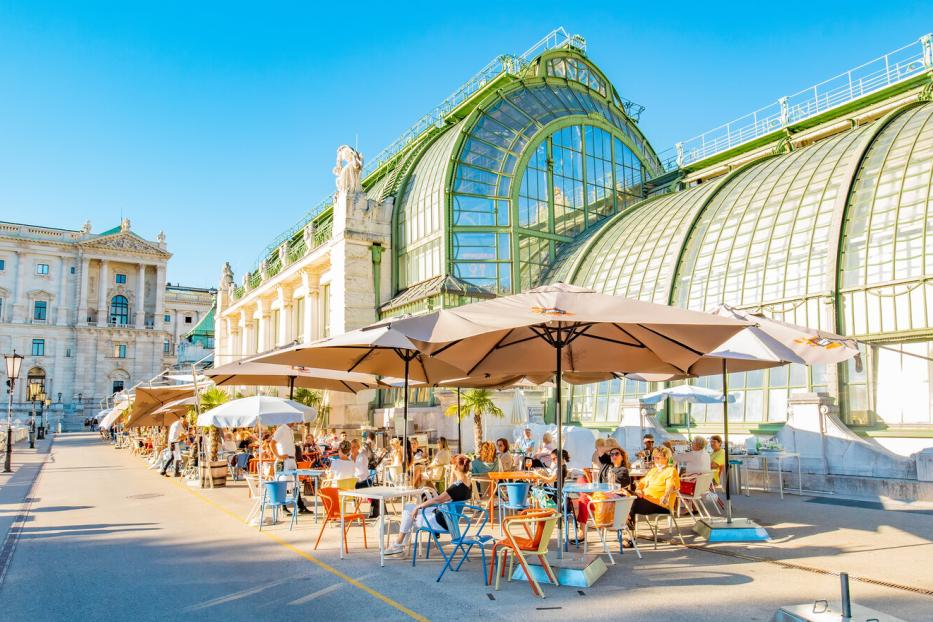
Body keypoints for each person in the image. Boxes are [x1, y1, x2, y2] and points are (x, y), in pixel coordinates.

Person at [385, 454, 473, 555]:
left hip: (441, 522)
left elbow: (438, 499)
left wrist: (419, 506)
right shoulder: (467, 483)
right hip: (448, 519)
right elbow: (446, 497)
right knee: (409, 507)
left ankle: (398, 544)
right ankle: (400, 544)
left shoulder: (457, 486)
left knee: (409, 513)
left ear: (455, 466)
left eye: (451, 465)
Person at [629, 446, 679, 519]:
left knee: (628, 500)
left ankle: (626, 522)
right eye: (654, 458)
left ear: (666, 458)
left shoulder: (670, 470)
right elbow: (642, 482)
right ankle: (627, 522)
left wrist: (665, 496)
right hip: (645, 500)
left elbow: (670, 486)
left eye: (657, 458)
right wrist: (638, 489)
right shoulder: (653, 470)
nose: (655, 460)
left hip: (659, 504)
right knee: (624, 496)